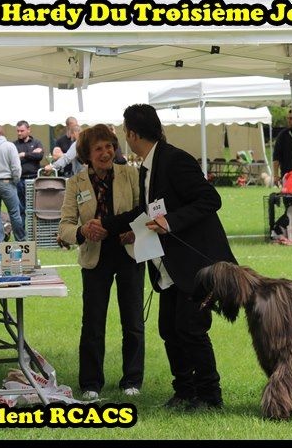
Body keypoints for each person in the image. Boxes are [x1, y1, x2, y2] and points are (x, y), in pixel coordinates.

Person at [95, 103, 236, 410]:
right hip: (169, 265)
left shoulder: (174, 160)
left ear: (133, 134)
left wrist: (170, 221)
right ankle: (184, 390)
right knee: (169, 329)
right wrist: (111, 225)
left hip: (195, 264)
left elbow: (210, 199)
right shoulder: (148, 166)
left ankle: (210, 395)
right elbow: (148, 210)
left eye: (125, 131)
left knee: (191, 329)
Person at [58, 124, 145, 401]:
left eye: (109, 146)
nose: (106, 152)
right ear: (87, 154)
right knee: (93, 323)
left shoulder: (131, 174)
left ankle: (132, 379)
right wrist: (83, 231)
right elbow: (65, 226)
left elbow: (144, 210)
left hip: (128, 251)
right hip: (94, 256)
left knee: (133, 320)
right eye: (98, 148)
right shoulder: (76, 183)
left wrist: (135, 231)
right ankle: (90, 383)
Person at [13, 120, 44, 221]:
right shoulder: (14, 145)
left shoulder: (36, 143)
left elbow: (39, 156)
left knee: (35, 208)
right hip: (20, 180)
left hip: (34, 179)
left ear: (28, 130)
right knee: (20, 208)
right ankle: (21, 231)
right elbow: (14, 160)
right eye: (18, 131)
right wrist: (32, 154)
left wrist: (24, 154)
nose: (19, 133)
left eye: (21, 131)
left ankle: (34, 230)